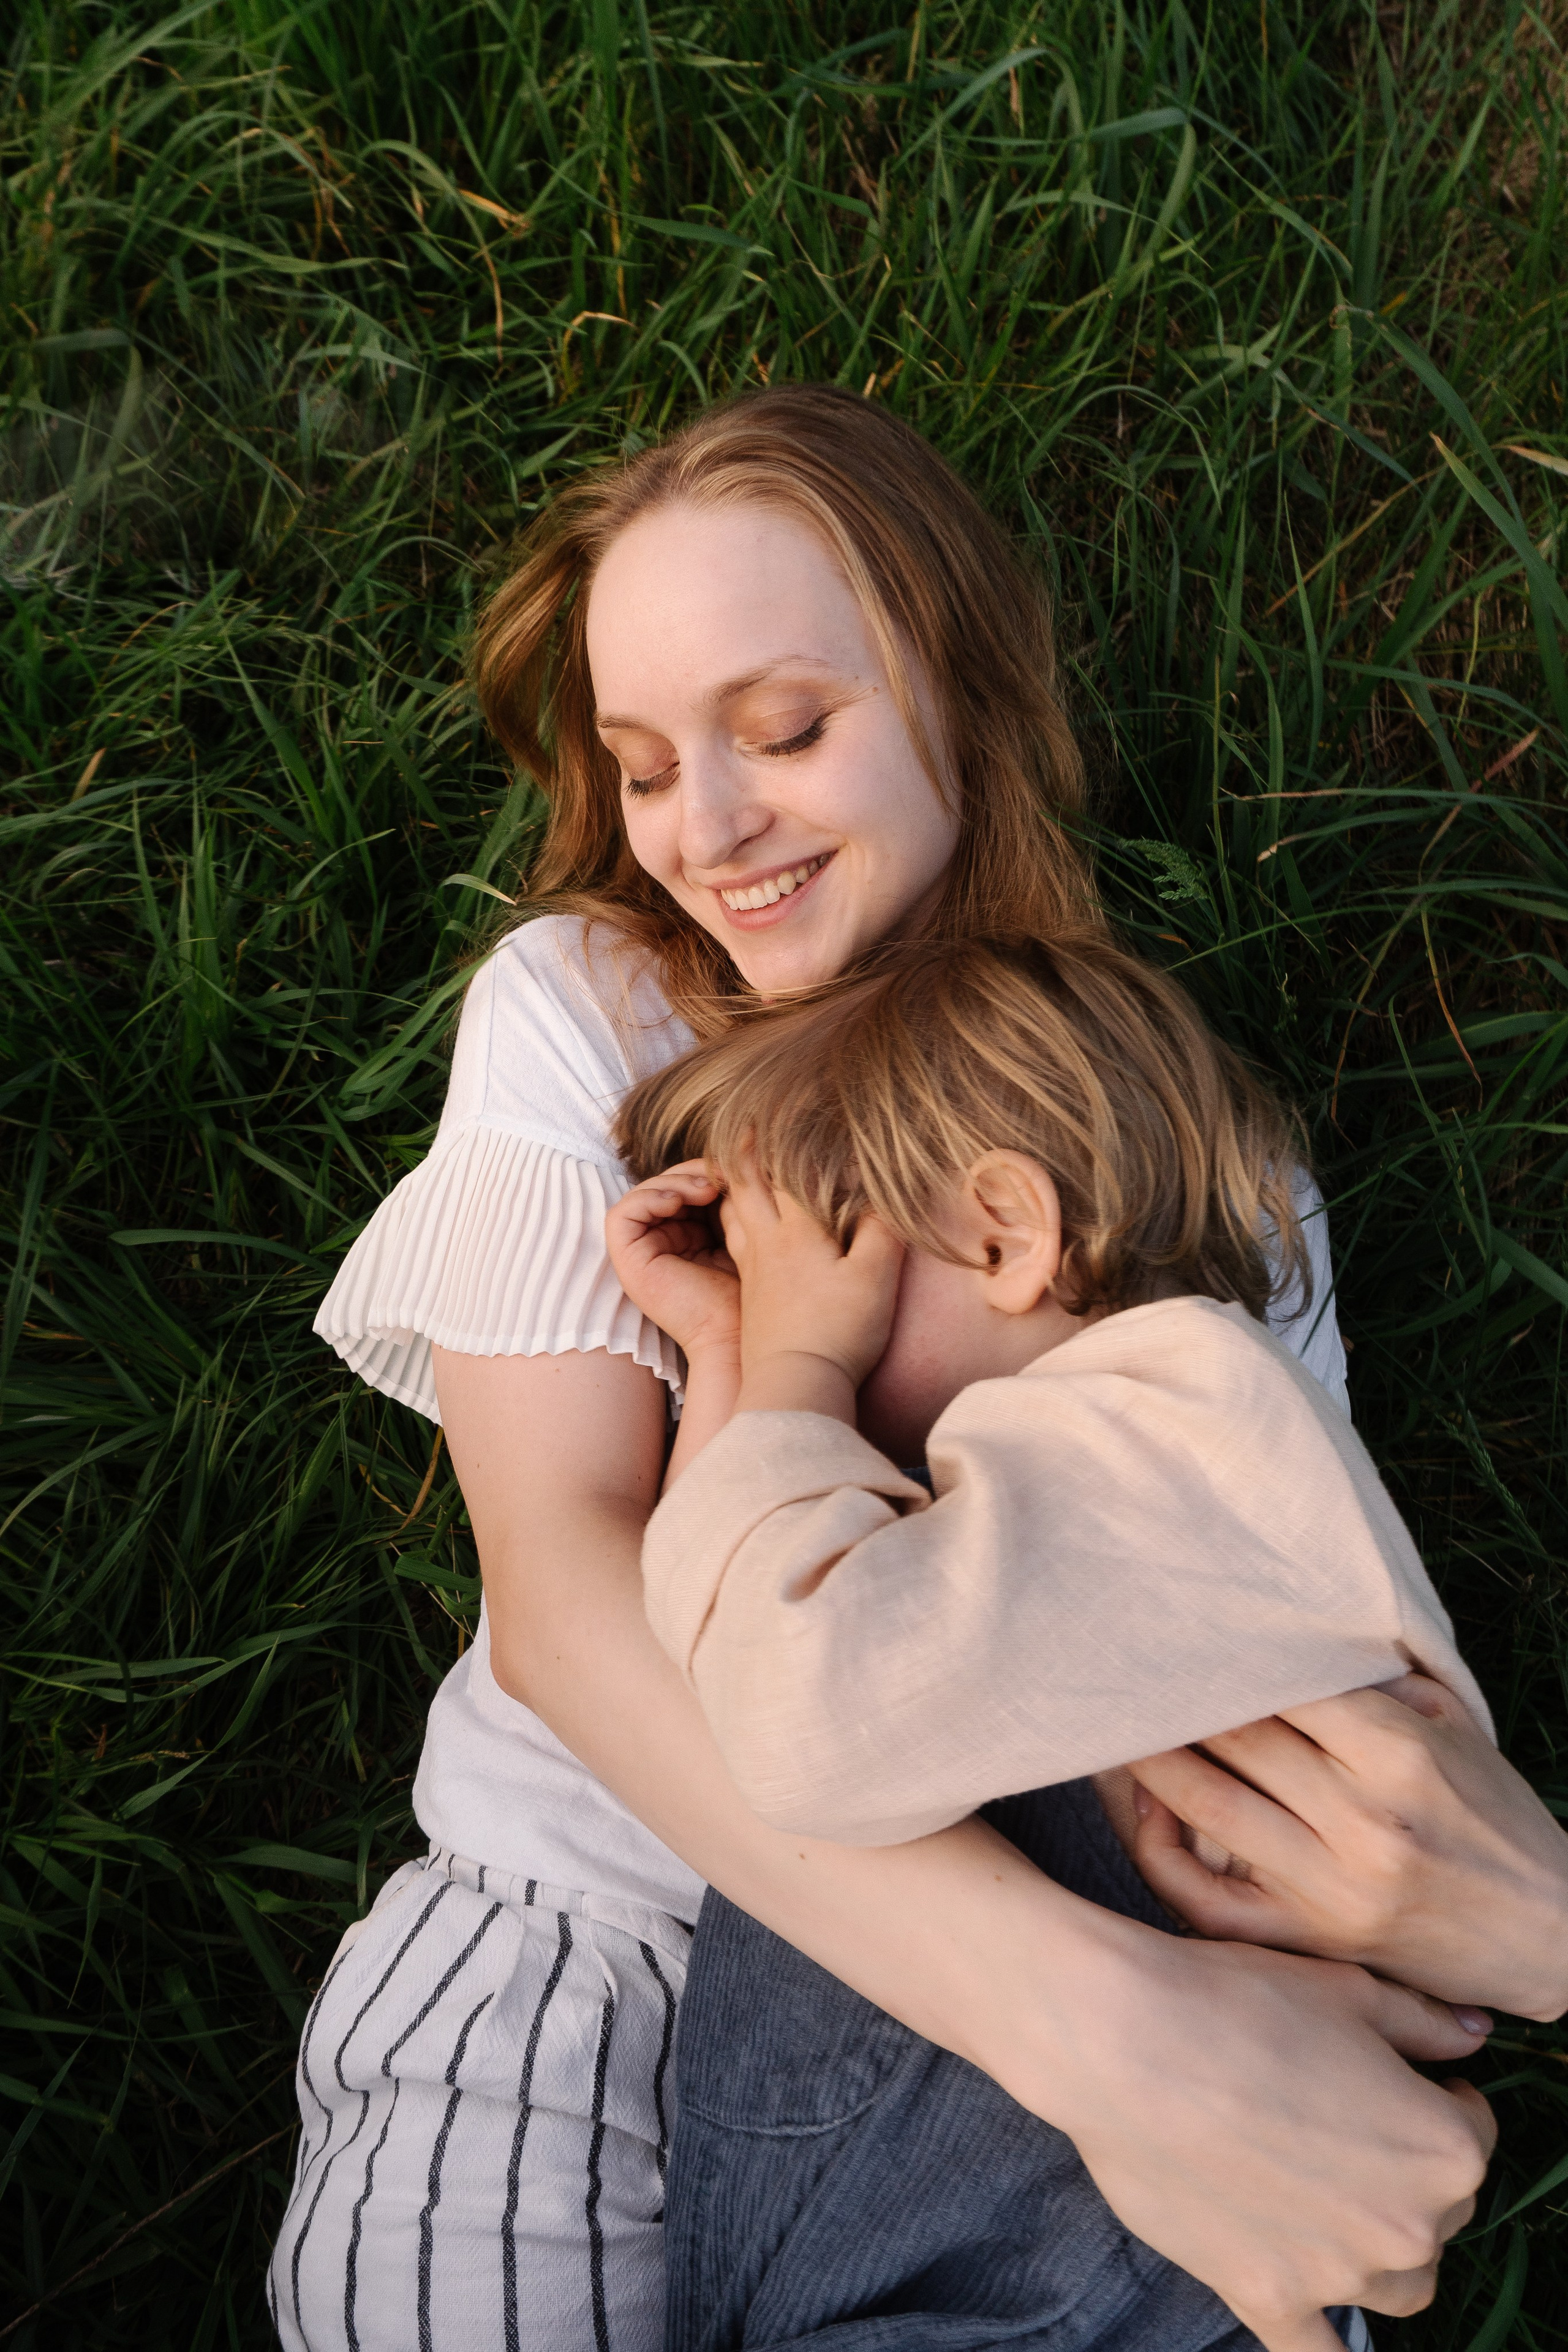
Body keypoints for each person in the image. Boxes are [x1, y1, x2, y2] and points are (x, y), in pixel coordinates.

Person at [271, 387, 1564, 2352]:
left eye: (785, 731)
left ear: (963, 686)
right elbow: (560, 1591)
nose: (704, 832)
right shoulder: (600, 1009)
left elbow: (1275, 1678)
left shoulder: (1199, 1151)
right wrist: (1112, 2036)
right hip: (587, 1938)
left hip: (1036, 2001)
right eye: (639, 768)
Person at [604, 928, 1568, 2348]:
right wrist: (748, 1363)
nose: (789, 1353)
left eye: (820, 1269)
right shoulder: (1126, 1472)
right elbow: (716, 1657)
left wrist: (795, 1373)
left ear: (1003, 1236)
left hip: (1002, 2274)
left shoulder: (1162, 1424)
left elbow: (795, 1713)